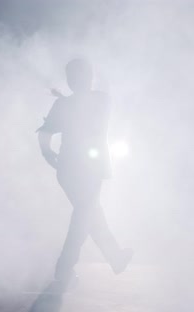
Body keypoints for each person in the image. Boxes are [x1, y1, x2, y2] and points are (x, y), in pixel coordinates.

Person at [37, 58, 133, 288]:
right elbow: (86, 110)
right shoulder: (100, 99)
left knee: (89, 215)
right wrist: (48, 153)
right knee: (84, 216)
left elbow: (47, 132)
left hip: (70, 169)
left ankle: (115, 258)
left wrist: (48, 153)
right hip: (87, 169)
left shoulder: (67, 105)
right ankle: (64, 267)